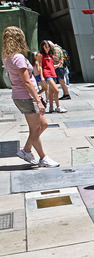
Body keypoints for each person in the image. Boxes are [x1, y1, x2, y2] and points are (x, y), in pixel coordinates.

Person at [2, 27, 60, 168]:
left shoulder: (6, 57)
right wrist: (38, 99)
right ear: (19, 39)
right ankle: (43, 158)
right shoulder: (18, 58)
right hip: (26, 96)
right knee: (36, 128)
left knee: (43, 124)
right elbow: (26, 81)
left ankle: (26, 150)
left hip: (20, 95)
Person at [37, 41, 66, 114]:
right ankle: (58, 107)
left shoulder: (50, 55)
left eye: (48, 47)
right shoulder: (40, 55)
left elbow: (51, 66)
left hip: (53, 74)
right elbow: (40, 66)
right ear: (42, 47)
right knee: (56, 90)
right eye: (46, 47)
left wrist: (59, 65)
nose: (47, 48)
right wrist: (42, 77)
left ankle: (51, 107)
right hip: (47, 74)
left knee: (51, 91)